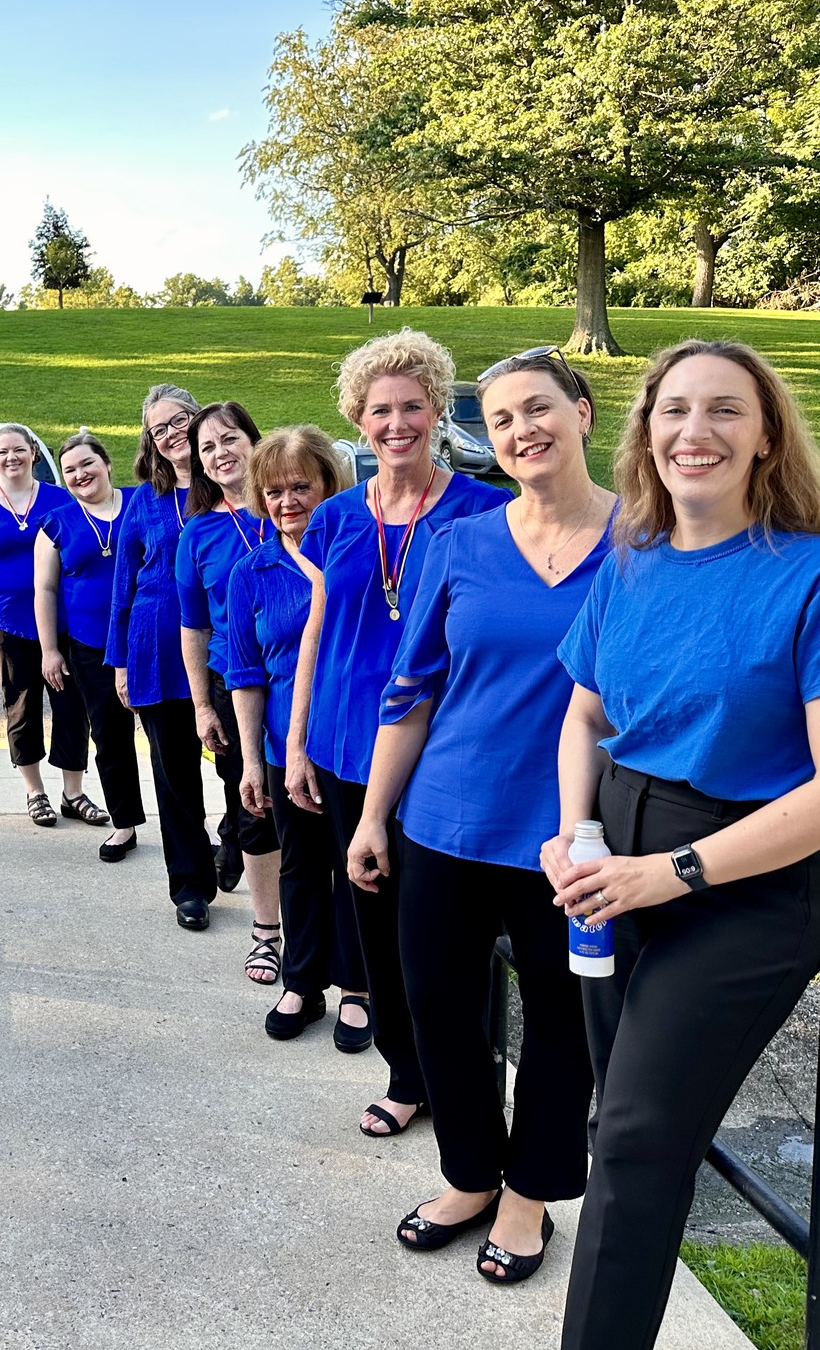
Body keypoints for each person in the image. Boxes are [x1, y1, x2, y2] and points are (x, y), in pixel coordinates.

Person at [549, 341, 820, 1349]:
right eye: (672, 410)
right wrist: (573, 835)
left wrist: (665, 872)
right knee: (622, 1123)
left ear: (765, 437)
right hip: (616, 866)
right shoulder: (628, 558)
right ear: (642, 434)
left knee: (632, 1140)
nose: (693, 431)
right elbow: (583, 717)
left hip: (742, 887)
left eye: (724, 410)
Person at [349, 349, 610, 1282]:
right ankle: (468, 1176)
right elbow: (409, 692)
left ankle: (530, 1198)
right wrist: (374, 817)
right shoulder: (460, 546)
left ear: (581, 412)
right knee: (440, 1011)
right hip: (447, 822)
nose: (522, 431)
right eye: (501, 421)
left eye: (539, 409)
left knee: (562, 1024)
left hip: (576, 844)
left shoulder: (648, 545)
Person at [287, 329, 510, 1138]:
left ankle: (469, 1078)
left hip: (447, 756)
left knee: (449, 940)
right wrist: (297, 741)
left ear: (437, 412)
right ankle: (406, 1074)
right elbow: (318, 628)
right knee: (375, 926)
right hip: (348, 750)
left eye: (413, 405)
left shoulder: (487, 513)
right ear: (357, 417)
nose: (396, 422)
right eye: (380, 408)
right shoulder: (337, 517)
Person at [227, 426, 365, 1041]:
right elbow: (245, 671)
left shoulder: (362, 556)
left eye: (301, 486)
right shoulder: (251, 571)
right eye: (274, 490)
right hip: (286, 747)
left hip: (356, 743)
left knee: (357, 866)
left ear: (329, 485)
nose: (287, 501)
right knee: (301, 867)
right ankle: (303, 983)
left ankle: (361, 985)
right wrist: (254, 761)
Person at [0, 424, 92, 826]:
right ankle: (35, 791)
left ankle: (73, 793)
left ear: (33, 454)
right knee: (21, 706)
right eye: (3, 452)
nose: (12, 457)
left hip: (62, 624)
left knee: (72, 706)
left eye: (20, 450)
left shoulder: (60, 499)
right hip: (5, 626)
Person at [176, 401, 284, 945]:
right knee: (252, 802)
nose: (220, 453)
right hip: (231, 684)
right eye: (207, 448)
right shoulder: (198, 535)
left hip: (301, 678)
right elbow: (193, 628)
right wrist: (200, 706)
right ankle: (268, 929)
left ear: (253, 438)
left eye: (229, 439)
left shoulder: (295, 506)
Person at [106, 385, 218, 907]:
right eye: (159, 429)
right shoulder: (144, 503)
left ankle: (238, 843)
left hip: (223, 650)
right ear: (150, 443)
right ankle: (191, 885)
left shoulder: (232, 488)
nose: (171, 434)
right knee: (175, 778)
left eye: (179, 422)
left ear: (199, 422)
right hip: (154, 649)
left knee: (242, 766)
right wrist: (120, 662)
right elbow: (122, 585)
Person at [36, 431, 144, 859]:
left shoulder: (143, 501)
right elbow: (43, 590)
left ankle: (189, 825)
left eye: (87, 463)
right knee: (111, 738)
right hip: (90, 648)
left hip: (153, 643)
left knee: (174, 739)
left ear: (107, 463)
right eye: (70, 470)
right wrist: (50, 650)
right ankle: (125, 824)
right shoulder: (57, 522)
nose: (81, 474)